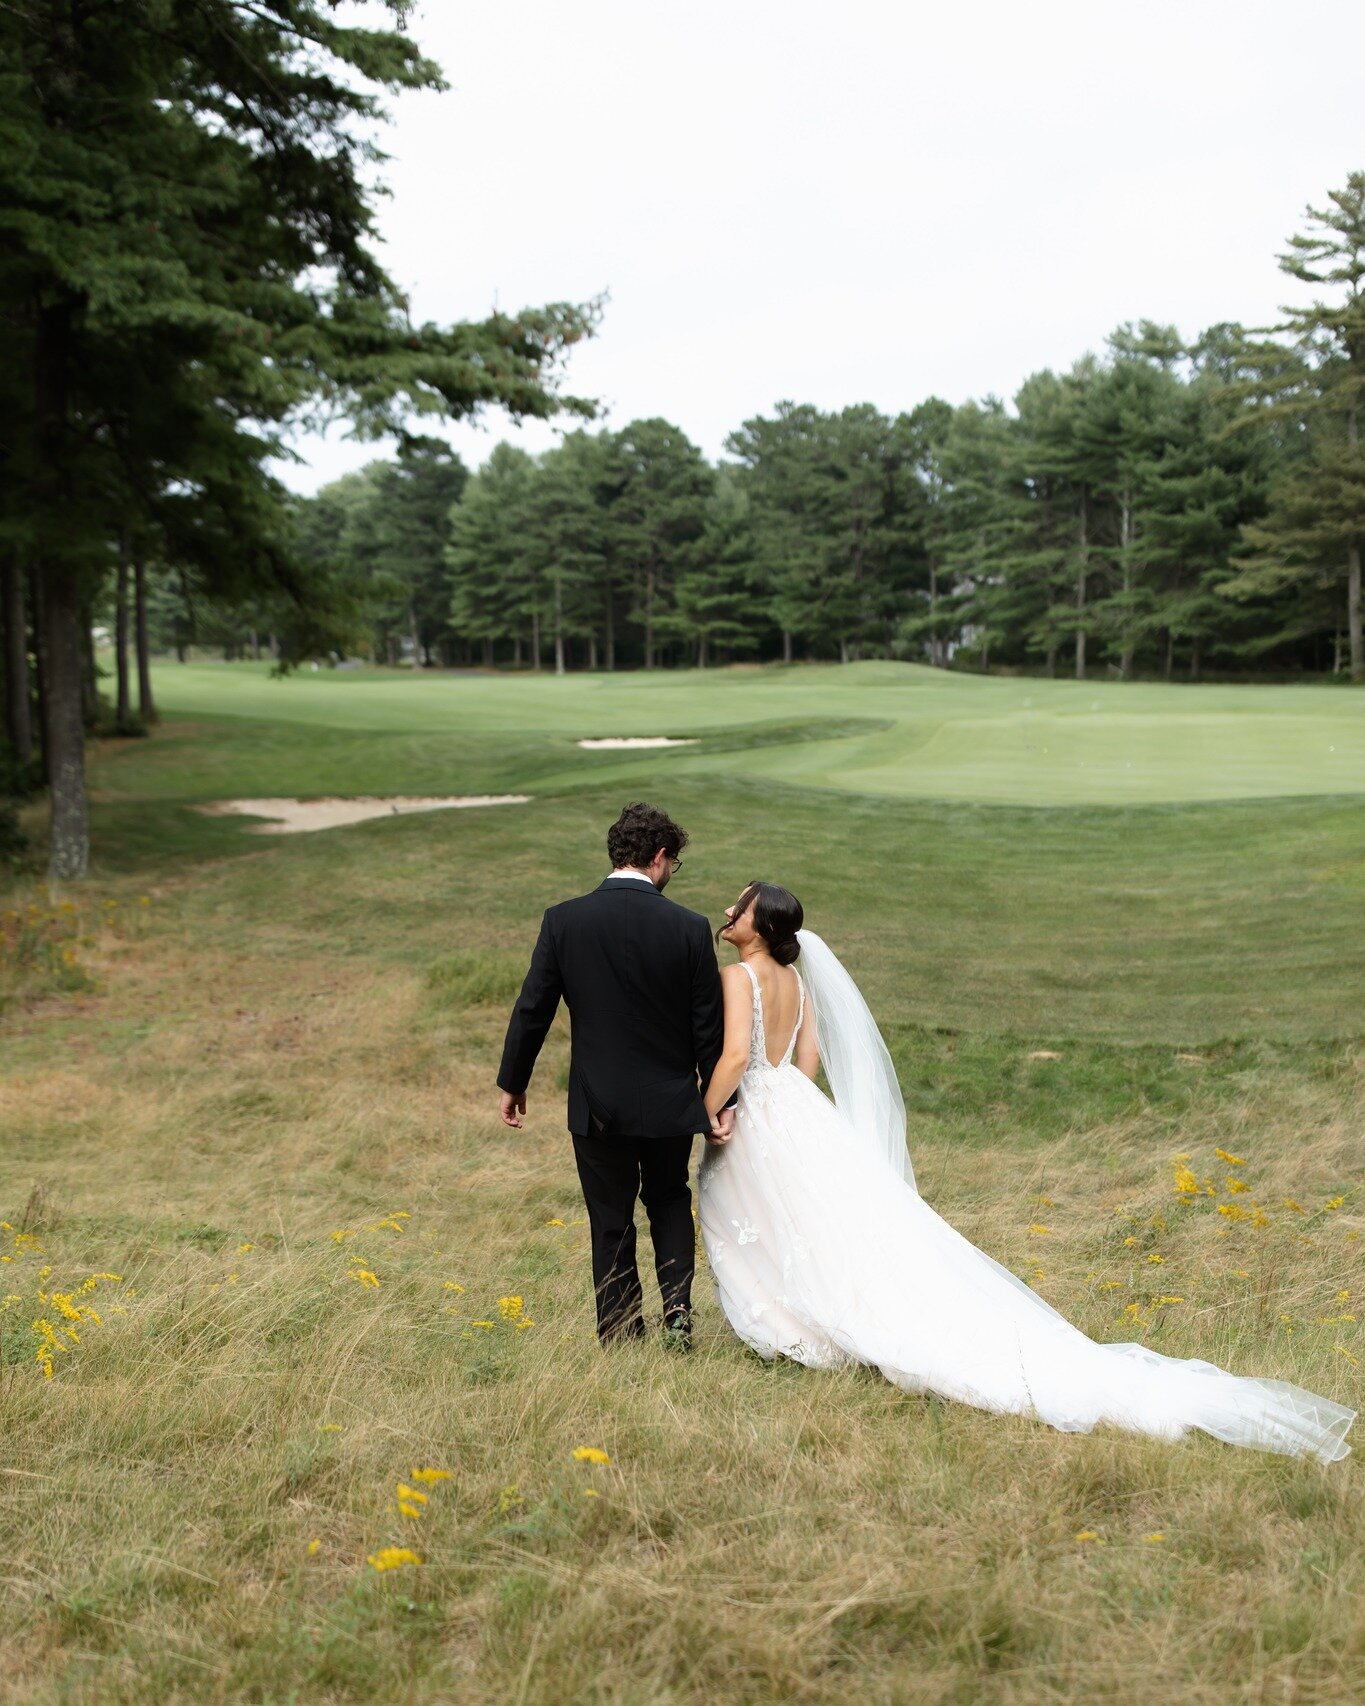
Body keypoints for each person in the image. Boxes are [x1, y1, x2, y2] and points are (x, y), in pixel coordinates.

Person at [698, 880, 1356, 1464]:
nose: (729, 912)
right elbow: (804, 1059)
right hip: (798, 1107)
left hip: (758, 1106)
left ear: (762, 927)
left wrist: (706, 1113)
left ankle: (788, 1330)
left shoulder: (740, 977)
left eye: (741, 908)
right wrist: (786, 1101)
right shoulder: (799, 981)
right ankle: (809, 1322)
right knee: (810, 1221)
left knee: (748, 1211)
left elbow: (732, 1057)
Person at [497, 802, 729, 1349]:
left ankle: (622, 1332)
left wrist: (514, 1080)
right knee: (669, 1199)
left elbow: (534, 1007)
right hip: (672, 1102)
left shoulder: (564, 919)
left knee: (610, 1216)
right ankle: (677, 1310)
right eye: (674, 863)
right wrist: (720, 1101)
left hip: (597, 1103)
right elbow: (708, 1029)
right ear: (660, 856)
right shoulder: (690, 928)